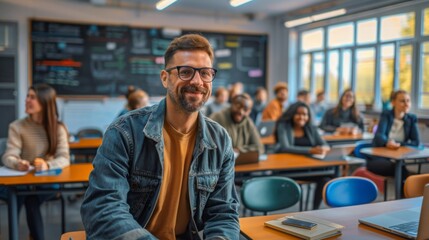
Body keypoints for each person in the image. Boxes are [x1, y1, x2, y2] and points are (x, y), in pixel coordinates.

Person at [81, 34, 240, 240]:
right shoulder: (125, 132)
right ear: (165, 78)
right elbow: (103, 208)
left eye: (205, 73)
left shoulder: (220, 140)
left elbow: (224, 213)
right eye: (185, 72)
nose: (197, 81)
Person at [1, 83, 70, 240]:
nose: (26, 100)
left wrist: (47, 165)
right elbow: (8, 155)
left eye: (32, 97)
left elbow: (64, 157)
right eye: (27, 96)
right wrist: (17, 163)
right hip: (23, 179)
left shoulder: (58, 128)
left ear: (45, 103)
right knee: (18, 194)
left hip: (48, 179)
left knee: (30, 199)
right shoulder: (16, 126)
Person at [275, 101, 330, 210]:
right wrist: (311, 150)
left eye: (305, 114)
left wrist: (324, 148)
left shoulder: (311, 128)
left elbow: (324, 144)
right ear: (292, 114)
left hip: (308, 168)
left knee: (326, 177)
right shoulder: (283, 126)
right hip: (288, 169)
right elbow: (286, 147)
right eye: (298, 114)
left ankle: (315, 209)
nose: (302, 117)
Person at [368, 90, 420, 180]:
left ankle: (404, 193)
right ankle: (403, 193)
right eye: (402, 101)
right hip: (380, 157)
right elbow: (379, 136)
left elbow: (416, 142)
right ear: (393, 102)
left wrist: (398, 144)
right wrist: (388, 142)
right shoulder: (386, 115)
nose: (406, 104)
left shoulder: (411, 119)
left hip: (398, 156)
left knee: (401, 169)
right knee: (400, 170)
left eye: (408, 100)